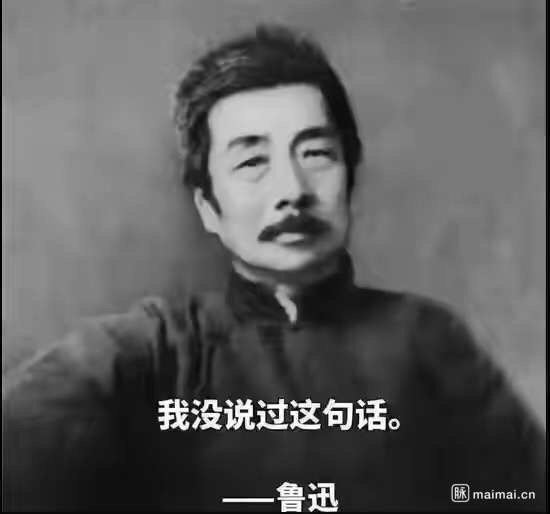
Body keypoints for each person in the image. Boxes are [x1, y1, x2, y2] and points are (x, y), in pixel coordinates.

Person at [3, 25, 545, 512]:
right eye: (252, 162)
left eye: (316, 154)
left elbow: (521, 492)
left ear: (350, 175)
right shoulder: (156, 353)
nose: (292, 190)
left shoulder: (427, 339)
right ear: (208, 207)